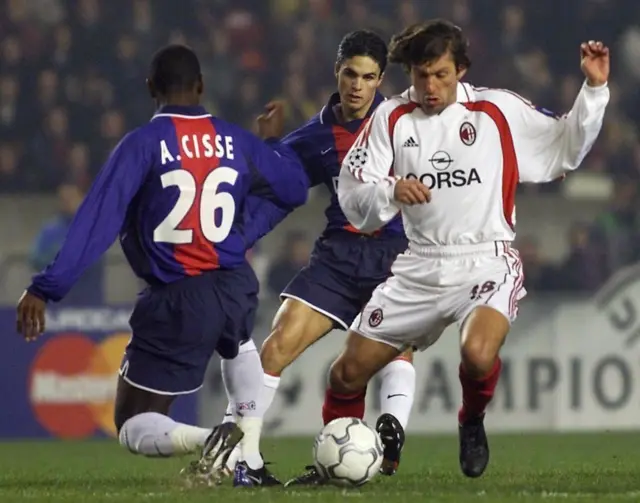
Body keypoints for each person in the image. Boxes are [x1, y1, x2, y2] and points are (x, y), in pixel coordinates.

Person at [327, 20, 609, 479]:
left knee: (477, 354)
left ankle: (472, 420)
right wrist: (391, 192)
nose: (430, 86)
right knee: (345, 375)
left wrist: (593, 91)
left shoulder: (496, 111)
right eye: (421, 75)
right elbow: (354, 195)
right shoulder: (392, 117)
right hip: (420, 264)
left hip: (486, 259)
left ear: (461, 70)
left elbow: (564, 148)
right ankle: (335, 465)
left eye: (440, 74)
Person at [15, 44, 309, 485]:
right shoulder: (237, 139)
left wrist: (46, 286)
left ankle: (214, 439)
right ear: (202, 86)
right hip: (234, 285)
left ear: (151, 87)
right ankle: (249, 460)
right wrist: (243, 225)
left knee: (131, 423)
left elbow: (97, 220)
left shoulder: (142, 145)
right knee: (239, 344)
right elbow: (293, 187)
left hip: (178, 294)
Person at [220, 30, 416, 487]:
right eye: (351, 74)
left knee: (390, 345)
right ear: (337, 72)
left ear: (380, 79)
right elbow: (279, 187)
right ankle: (240, 457)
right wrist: (268, 149)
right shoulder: (315, 136)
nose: (357, 85)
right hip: (338, 256)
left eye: (368, 77)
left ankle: (392, 432)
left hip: (396, 255)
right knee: (276, 346)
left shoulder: (404, 121)